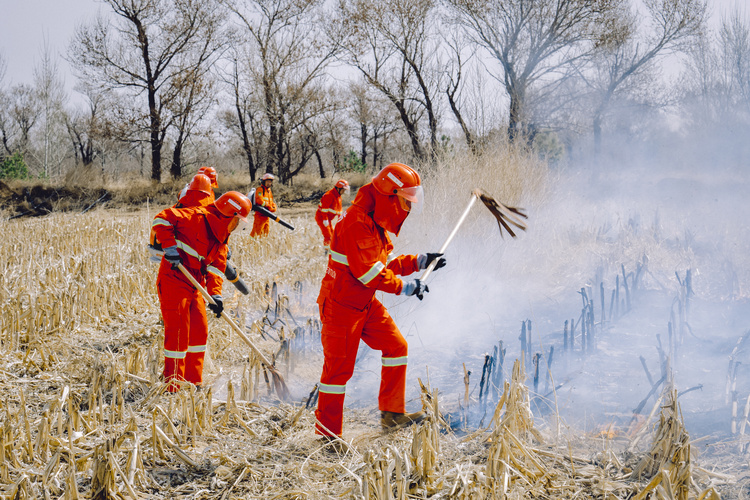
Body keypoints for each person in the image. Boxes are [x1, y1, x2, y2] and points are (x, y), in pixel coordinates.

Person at [314, 163, 447, 441]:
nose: (408, 209)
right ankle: (328, 437)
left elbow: (382, 264)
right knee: (337, 374)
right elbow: (369, 273)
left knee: (396, 346)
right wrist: (407, 287)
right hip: (341, 306)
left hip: (363, 302)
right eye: (405, 201)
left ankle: (392, 416)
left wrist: (420, 261)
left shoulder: (374, 222)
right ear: (389, 194)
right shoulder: (355, 222)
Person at [150, 191, 252, 392]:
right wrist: (169, 248)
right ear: (227, 213)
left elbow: (216, 269)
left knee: (200, 329)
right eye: (236, 220)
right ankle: (174, 384)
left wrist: (216, 295)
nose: (236, 226)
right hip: (174, 279)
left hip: (194, 284)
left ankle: (193, 381)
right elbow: (161, 220)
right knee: (179, 331)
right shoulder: (193, 216)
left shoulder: (222, 238)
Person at [315, 179, 350, 248]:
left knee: (333, 235)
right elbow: (324, 210)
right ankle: (327, 252)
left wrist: (341, 222)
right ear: (338, 188)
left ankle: (332, 250)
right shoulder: (329, 195)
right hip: (322, 218)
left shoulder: (338, 196)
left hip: (328, 219)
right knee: (328, 236)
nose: (344, 192)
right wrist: (325, 220)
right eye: (343, 189)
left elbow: (340, 211)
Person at [250, 173, 277, 237]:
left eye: (270, 182)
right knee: (256, 232)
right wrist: (268, 206)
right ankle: (250, 244)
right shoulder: (260, 190)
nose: (269, 183)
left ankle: (262, 245)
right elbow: (260, 200)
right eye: (267, 181)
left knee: (265, 232)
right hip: (260, 215)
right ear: (263, 181)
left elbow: (271, 201)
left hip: (266, 216)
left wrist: (274, 207)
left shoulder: (269, 191)